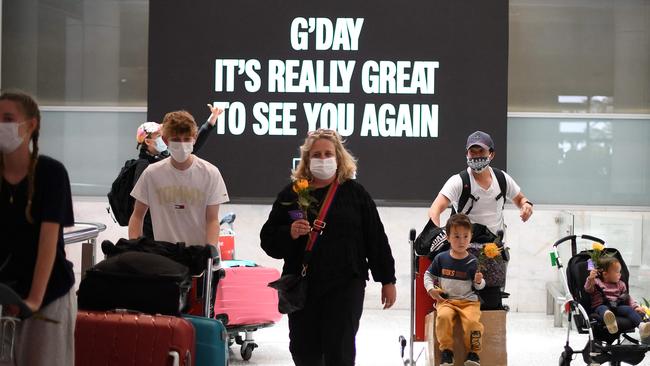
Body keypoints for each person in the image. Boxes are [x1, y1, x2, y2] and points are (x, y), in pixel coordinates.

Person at [260, 128, 397, 366]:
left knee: (340, 350)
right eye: (316, 155)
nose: (322, 159)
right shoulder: (292, 194)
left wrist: (388, 280)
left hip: (346, 285)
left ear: (338, 157)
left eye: (327, 154)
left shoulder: (355, 193)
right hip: (303, 286)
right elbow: (268, 240)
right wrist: (289, 233)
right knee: (303, 351)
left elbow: (375, 238)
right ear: (306, 159)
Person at [0, 91, 76, 365]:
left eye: (8, 119)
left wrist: (33, 299)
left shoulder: (51, 173)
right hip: (6, 290)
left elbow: (48, 242)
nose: (1, 124)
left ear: (30, 125)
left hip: (48, 294)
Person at [128, 109, 229, 248]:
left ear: (194, 138)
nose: (181, 144)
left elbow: (212, 219)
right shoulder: (151, 173)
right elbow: (137, 215)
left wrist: (210, 249)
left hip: (198, 254)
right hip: (164, 256)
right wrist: (135, 247)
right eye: (175, 140)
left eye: (186, 139)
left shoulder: (210, 173)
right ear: (165, 140)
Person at [425, 214, 485, 366]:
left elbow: (479, 286)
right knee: (443, 318)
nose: (461, 241)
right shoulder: (441, 258)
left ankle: (473, 354)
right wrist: (430, 289)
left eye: (465, 236)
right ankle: (447, 351)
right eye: (457, 236)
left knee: (473, 323)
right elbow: (428, 275)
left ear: (470, 237)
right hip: (447, 301)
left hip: (468, 302)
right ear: (448, 237)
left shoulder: (473, 261)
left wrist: (479, 282)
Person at [584, 257, 649, 342]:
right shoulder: (596, 282)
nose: (620, 274)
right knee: (604, 309)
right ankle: (611, 323)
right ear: (605, 274)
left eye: (620, 272)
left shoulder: (621, 284)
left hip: (617, 306)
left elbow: (627, 298)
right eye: (617, 272)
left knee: (628, 309)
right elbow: (588, 289)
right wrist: (591, 278)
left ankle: (641, 326)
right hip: (601, 306)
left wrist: (635, 307)